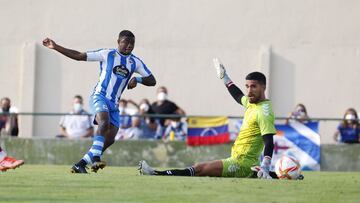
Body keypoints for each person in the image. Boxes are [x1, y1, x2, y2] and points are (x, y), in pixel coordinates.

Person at [139, 59, 280, 179]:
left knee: (200, 168)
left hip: (242, 164)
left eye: (253, 86)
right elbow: (238, 96)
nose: (249, 91)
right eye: (247, 86)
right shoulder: (252, 102)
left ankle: (156, 173)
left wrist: (266, 167)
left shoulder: (263, 112)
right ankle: (283, 175)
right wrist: (225, 77)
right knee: (202, 168)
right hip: (240, 161)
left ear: (263, 87)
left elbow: (269, 142)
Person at [43, 30, 156, 173]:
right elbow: (79, 56)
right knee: (104, 122)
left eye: (132, 43)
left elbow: (152, 80)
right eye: (125, 42)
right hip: (100, 96)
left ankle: (81, 164)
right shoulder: (107, 54)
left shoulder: (135, 62)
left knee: (110, 138)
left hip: (114, 104)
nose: (129, 45)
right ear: (118, 42)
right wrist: (56, 47)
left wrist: (137, 79)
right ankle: (96, 158)